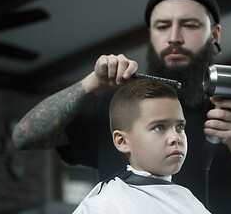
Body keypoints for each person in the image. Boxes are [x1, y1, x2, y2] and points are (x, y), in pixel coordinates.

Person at [12, 0, 231, 214]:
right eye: (162, 26)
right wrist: (92, 84)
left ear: (214, 34)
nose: (174, 37)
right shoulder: (117, 105)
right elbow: (24, 137)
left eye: (190, 25)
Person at [72, 79, 210, 213]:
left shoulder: (191, 203)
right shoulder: (105, 205)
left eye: (180, 126)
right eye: (159, 127)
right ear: (122, 141)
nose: (175, 137)